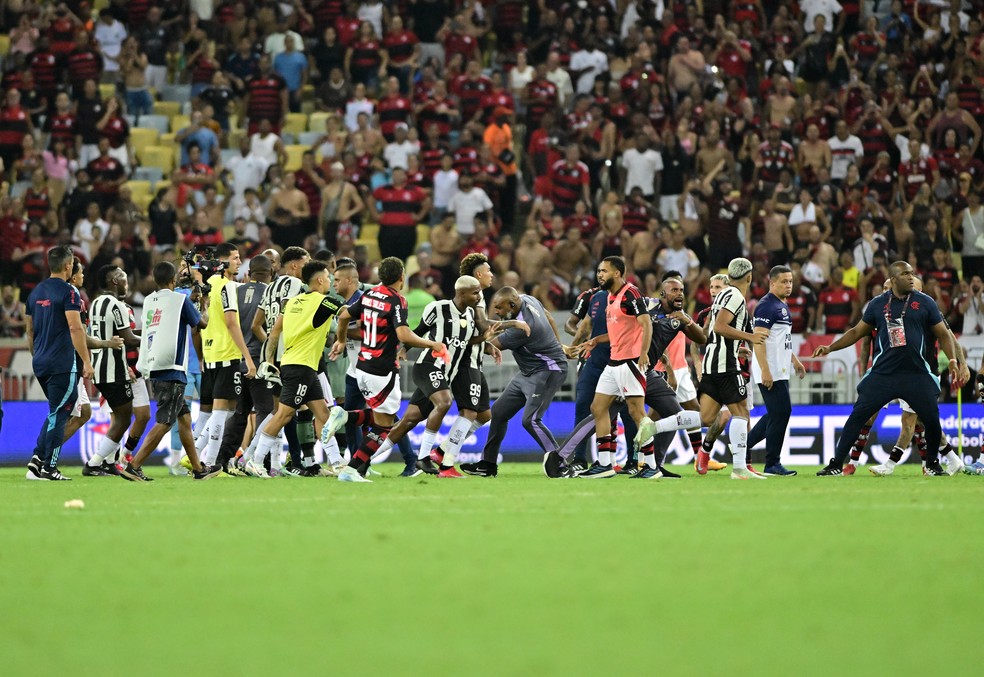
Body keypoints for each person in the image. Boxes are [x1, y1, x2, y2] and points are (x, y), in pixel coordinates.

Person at [814, 261, 966, 476]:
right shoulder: (877, 304)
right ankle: (836, 464)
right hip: (884, 374)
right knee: (858, 416)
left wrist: (952, 360)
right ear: (893, 279)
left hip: (916, 373)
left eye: (912, 273)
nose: (911, 277)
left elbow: (943, 334)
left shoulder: (926, 302)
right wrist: (830, 347)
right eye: (905, 274)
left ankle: (932, 464)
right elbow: (857, 332)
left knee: (931, 419)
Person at [558, 275, 707, 478]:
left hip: (646, 374)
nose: (679, 294)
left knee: (674, 415)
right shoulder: (646, 306)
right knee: (601, 411)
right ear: (662, 294)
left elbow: (702, 338)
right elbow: (623, 331)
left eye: (681, 290)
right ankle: (587, 459)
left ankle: (652, 464)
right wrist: (596, 340)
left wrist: (687, 320)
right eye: (674, 290)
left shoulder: (679, 320)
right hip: (629, 368)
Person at [367, 276, 502, 477]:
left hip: (445, 373)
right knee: (445, 401)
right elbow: (419, 330)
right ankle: (424, 458)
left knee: (408, 421)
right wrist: (404, 348)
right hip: (427, 366)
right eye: (475, 292)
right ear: (462, 293)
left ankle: (362, 461)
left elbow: (465, 342)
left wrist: (486, 341)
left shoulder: (471, 316)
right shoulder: (438, 308)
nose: (479, 296)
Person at [328, 256, 447, 482]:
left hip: (361, 365)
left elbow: (343, 315)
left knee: (378, 418)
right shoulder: (397, 300)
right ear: (401, 276)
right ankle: (352, 467)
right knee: (384, 425)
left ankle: (347, 428)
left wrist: (341, 339)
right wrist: (432, 343)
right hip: (381, 369)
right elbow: (403, 334)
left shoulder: (369, 295)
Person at [120, 261, 219, 481]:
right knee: (165, 422)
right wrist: (204, 304)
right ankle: (133, 465)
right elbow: (201, 324)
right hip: (173, 369)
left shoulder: (149, 301)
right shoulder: (179, 299)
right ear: (174, 280)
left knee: (183, 419)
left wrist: (191, 299)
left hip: (154, 366)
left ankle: (198, 469)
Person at [459, 286, 570, 478]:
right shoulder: (527, 299)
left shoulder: (522, 328)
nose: (497, 312)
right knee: (499, 412)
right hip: (528, 372)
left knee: (531, 420)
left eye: (500, 308)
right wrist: (559, 346)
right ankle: (488, 465)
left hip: (548, 371)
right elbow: (550, 317)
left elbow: (490, 347)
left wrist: (463, 339)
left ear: (512, 304)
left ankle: (560, 462)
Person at [250, 261, 345, 477]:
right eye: (328, 277)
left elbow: (274, 332)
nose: (330, 281)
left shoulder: (292, 303)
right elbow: (348, 314)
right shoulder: (324, 302)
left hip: (297, 365)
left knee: (322, 414)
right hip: (301, 367)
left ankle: (338, 463)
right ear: (320, 279)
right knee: (284, 414)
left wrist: (270, 360)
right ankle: (255, 460)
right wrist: (341, 338)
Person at [574, 257, 654, 478]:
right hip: (613, 362)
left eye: (604, 271)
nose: (599, 275)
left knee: (637, 413)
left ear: (617, 273)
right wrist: (596, 340)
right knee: (598, 408)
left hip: (630, 362)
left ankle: (651, 465)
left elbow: (646, 323)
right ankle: (604, 464)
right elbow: (618, 332)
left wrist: (644, 353)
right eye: (598, 271)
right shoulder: (610, 297)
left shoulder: (631, 293)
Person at [24, 246, 94, 481]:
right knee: (61, 412)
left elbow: (30, 330)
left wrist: (37, 356)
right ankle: (49, 468)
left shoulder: (35, 292)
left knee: (55, 412)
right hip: (61, 363)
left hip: (40, 362)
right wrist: (86, 360)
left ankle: (37, 462)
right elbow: (75, 327)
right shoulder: (70, 292)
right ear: (68, 266)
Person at [697, 258, 768, 480]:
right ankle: (740, 468)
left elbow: (713, 331)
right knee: (741, 414)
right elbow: (719, 327)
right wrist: (750, 337)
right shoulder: (736, 296)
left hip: (714, 363)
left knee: (707, 417)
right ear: (749, 277)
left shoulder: (724, 295)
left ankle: (656, 427)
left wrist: (739, 348)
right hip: (725, 365)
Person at [243, 246, 311, 475]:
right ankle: (267, 461)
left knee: (280, 411)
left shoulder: (271, 287)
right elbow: (287, 316)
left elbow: (256, 325)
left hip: (273, 356)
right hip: (291, 355)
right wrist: (280, 344)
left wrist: (270, 346)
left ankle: (262, 461)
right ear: (294, 266)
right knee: (287, 411)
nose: (309, 265)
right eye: (306, 262)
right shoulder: (295, 285)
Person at [214, 255, 275, 474]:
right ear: (271, 274)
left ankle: (222, 459)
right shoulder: (270, 293)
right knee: (267, 411)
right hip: (260, 359)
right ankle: (260, 461)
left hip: (237, 361)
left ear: (249, 273)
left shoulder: (236, 291)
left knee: (240, 413)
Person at [196, 243, 254, 469]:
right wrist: (247, 358)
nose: (240, 262)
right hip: (226, 354)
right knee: (222, 411)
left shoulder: (207, 285)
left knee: (228, 408)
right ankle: (210, 463)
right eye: (235, 258)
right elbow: (231, 322)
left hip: (210, 353)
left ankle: (197, 450)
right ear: (222, 262)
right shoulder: (227, 287)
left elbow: (200, 324)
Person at [81, 266, 143, 475]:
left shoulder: (96, 302)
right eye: (124, 278)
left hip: (99, 367)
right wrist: (154, 340)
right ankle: (94, 463)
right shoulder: (116, 305)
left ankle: (108, 460)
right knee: (124, 418)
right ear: (115, 281)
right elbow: (129, 339)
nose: (127, 283)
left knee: (118, 416)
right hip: (114, 370)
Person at [747, 266, 807, 477]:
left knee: (777, 412)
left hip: (779, 368)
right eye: (784, 281)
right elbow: (759, 341)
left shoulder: (781, 305)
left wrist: (795, 360)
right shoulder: (766, 306)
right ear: (772, 283)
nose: (788, 285)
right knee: (782, 411)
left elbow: (781, 340)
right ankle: (772, 463)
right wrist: (765, 370)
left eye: (790, 281)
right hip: (770, 369)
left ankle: (743, 447)